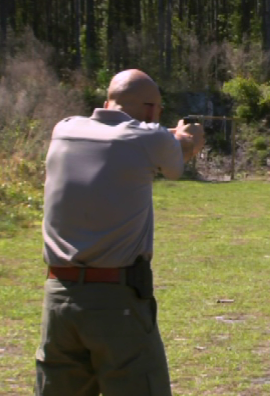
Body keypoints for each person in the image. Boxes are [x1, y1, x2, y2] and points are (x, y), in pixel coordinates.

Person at [34, 69, 205, 396]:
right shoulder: (149, 139)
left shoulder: (65, 129)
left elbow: (127, 134)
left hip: (57, 297)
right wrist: (188, 137)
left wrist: (162, 133)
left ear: (106, 103)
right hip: (115, 303)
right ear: (152, 111)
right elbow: (175, 157)